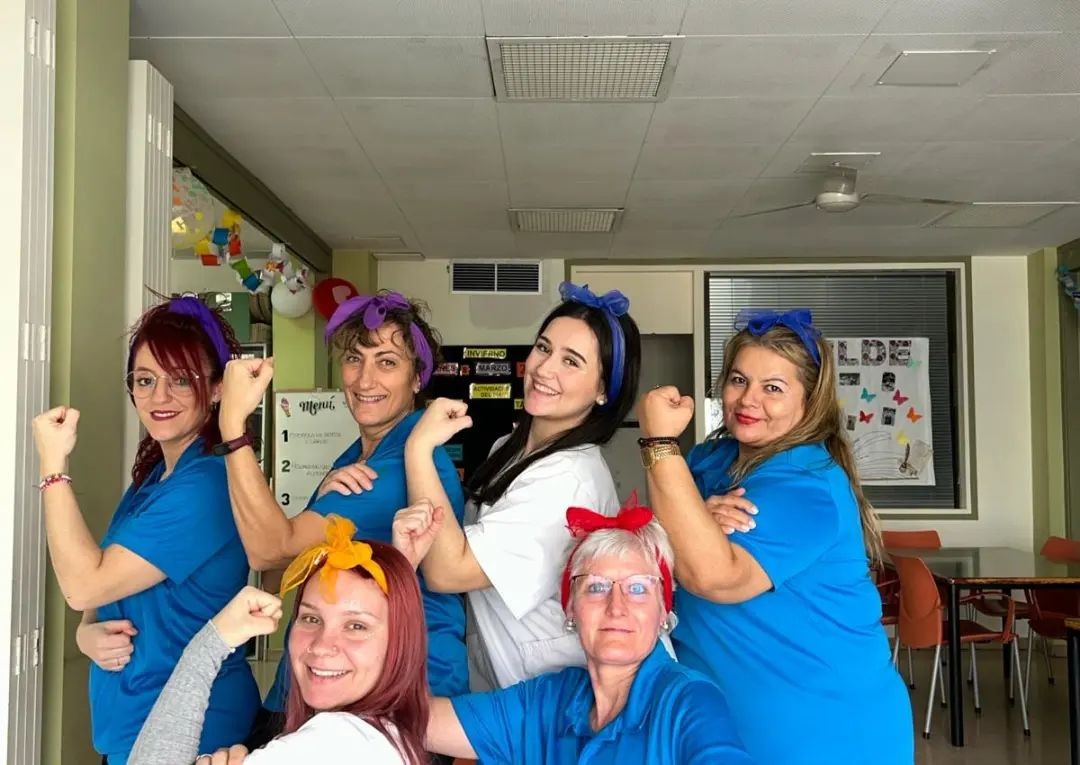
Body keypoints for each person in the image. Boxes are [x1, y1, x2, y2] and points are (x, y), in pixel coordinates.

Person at [637, 308, 914, 764]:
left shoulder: (807, 485)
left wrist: (659, 444)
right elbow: (652, 546)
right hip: (722, 724)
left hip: (829, 731)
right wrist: (695, 519)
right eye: (738, 380)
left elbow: (712, 576)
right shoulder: (710, 458)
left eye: (773, 388)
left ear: (810, 401)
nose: (748, 400)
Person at [215, 291, 468, 743]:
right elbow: (279, 574)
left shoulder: (395, 467)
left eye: (387, 362)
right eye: (354, 359)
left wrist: (233, 427)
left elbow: (268, 550)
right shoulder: (356, 458)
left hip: (387, 699)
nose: (365, 378)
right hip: (322, 682)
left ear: (417, 378)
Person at [32, 296, 259, 764]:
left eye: (182, 379)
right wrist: (85, 633)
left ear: (217, 388)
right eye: (145, 380)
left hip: (187, 729)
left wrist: (53, 467)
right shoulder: (157, 476)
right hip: (138, 725)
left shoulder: (205, 486)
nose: (159, 397)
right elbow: (103, 578)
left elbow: (84, 583)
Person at [398, 281, 642, 690]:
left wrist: (418, 448)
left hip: (552, 695)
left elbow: (448, 570)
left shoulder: (567, 480)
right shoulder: (508, 447)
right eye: (544, 348)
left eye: (571, 361)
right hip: (507, 684)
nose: (544, 369)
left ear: (603, 390)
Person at [393, 497, 751, 763]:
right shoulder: (550, 700)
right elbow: (417, 721)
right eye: (596, 587)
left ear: (663, 612)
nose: (616, 606)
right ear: (570, 609)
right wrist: (400, 575)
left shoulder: (688, 701)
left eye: (638, 588)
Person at [128, 514, 432, 764]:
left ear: (400, 642)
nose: (321, 646)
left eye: (356, 626)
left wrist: (209, 645)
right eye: (311, 619)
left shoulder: (334, 742)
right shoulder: (386, 734)